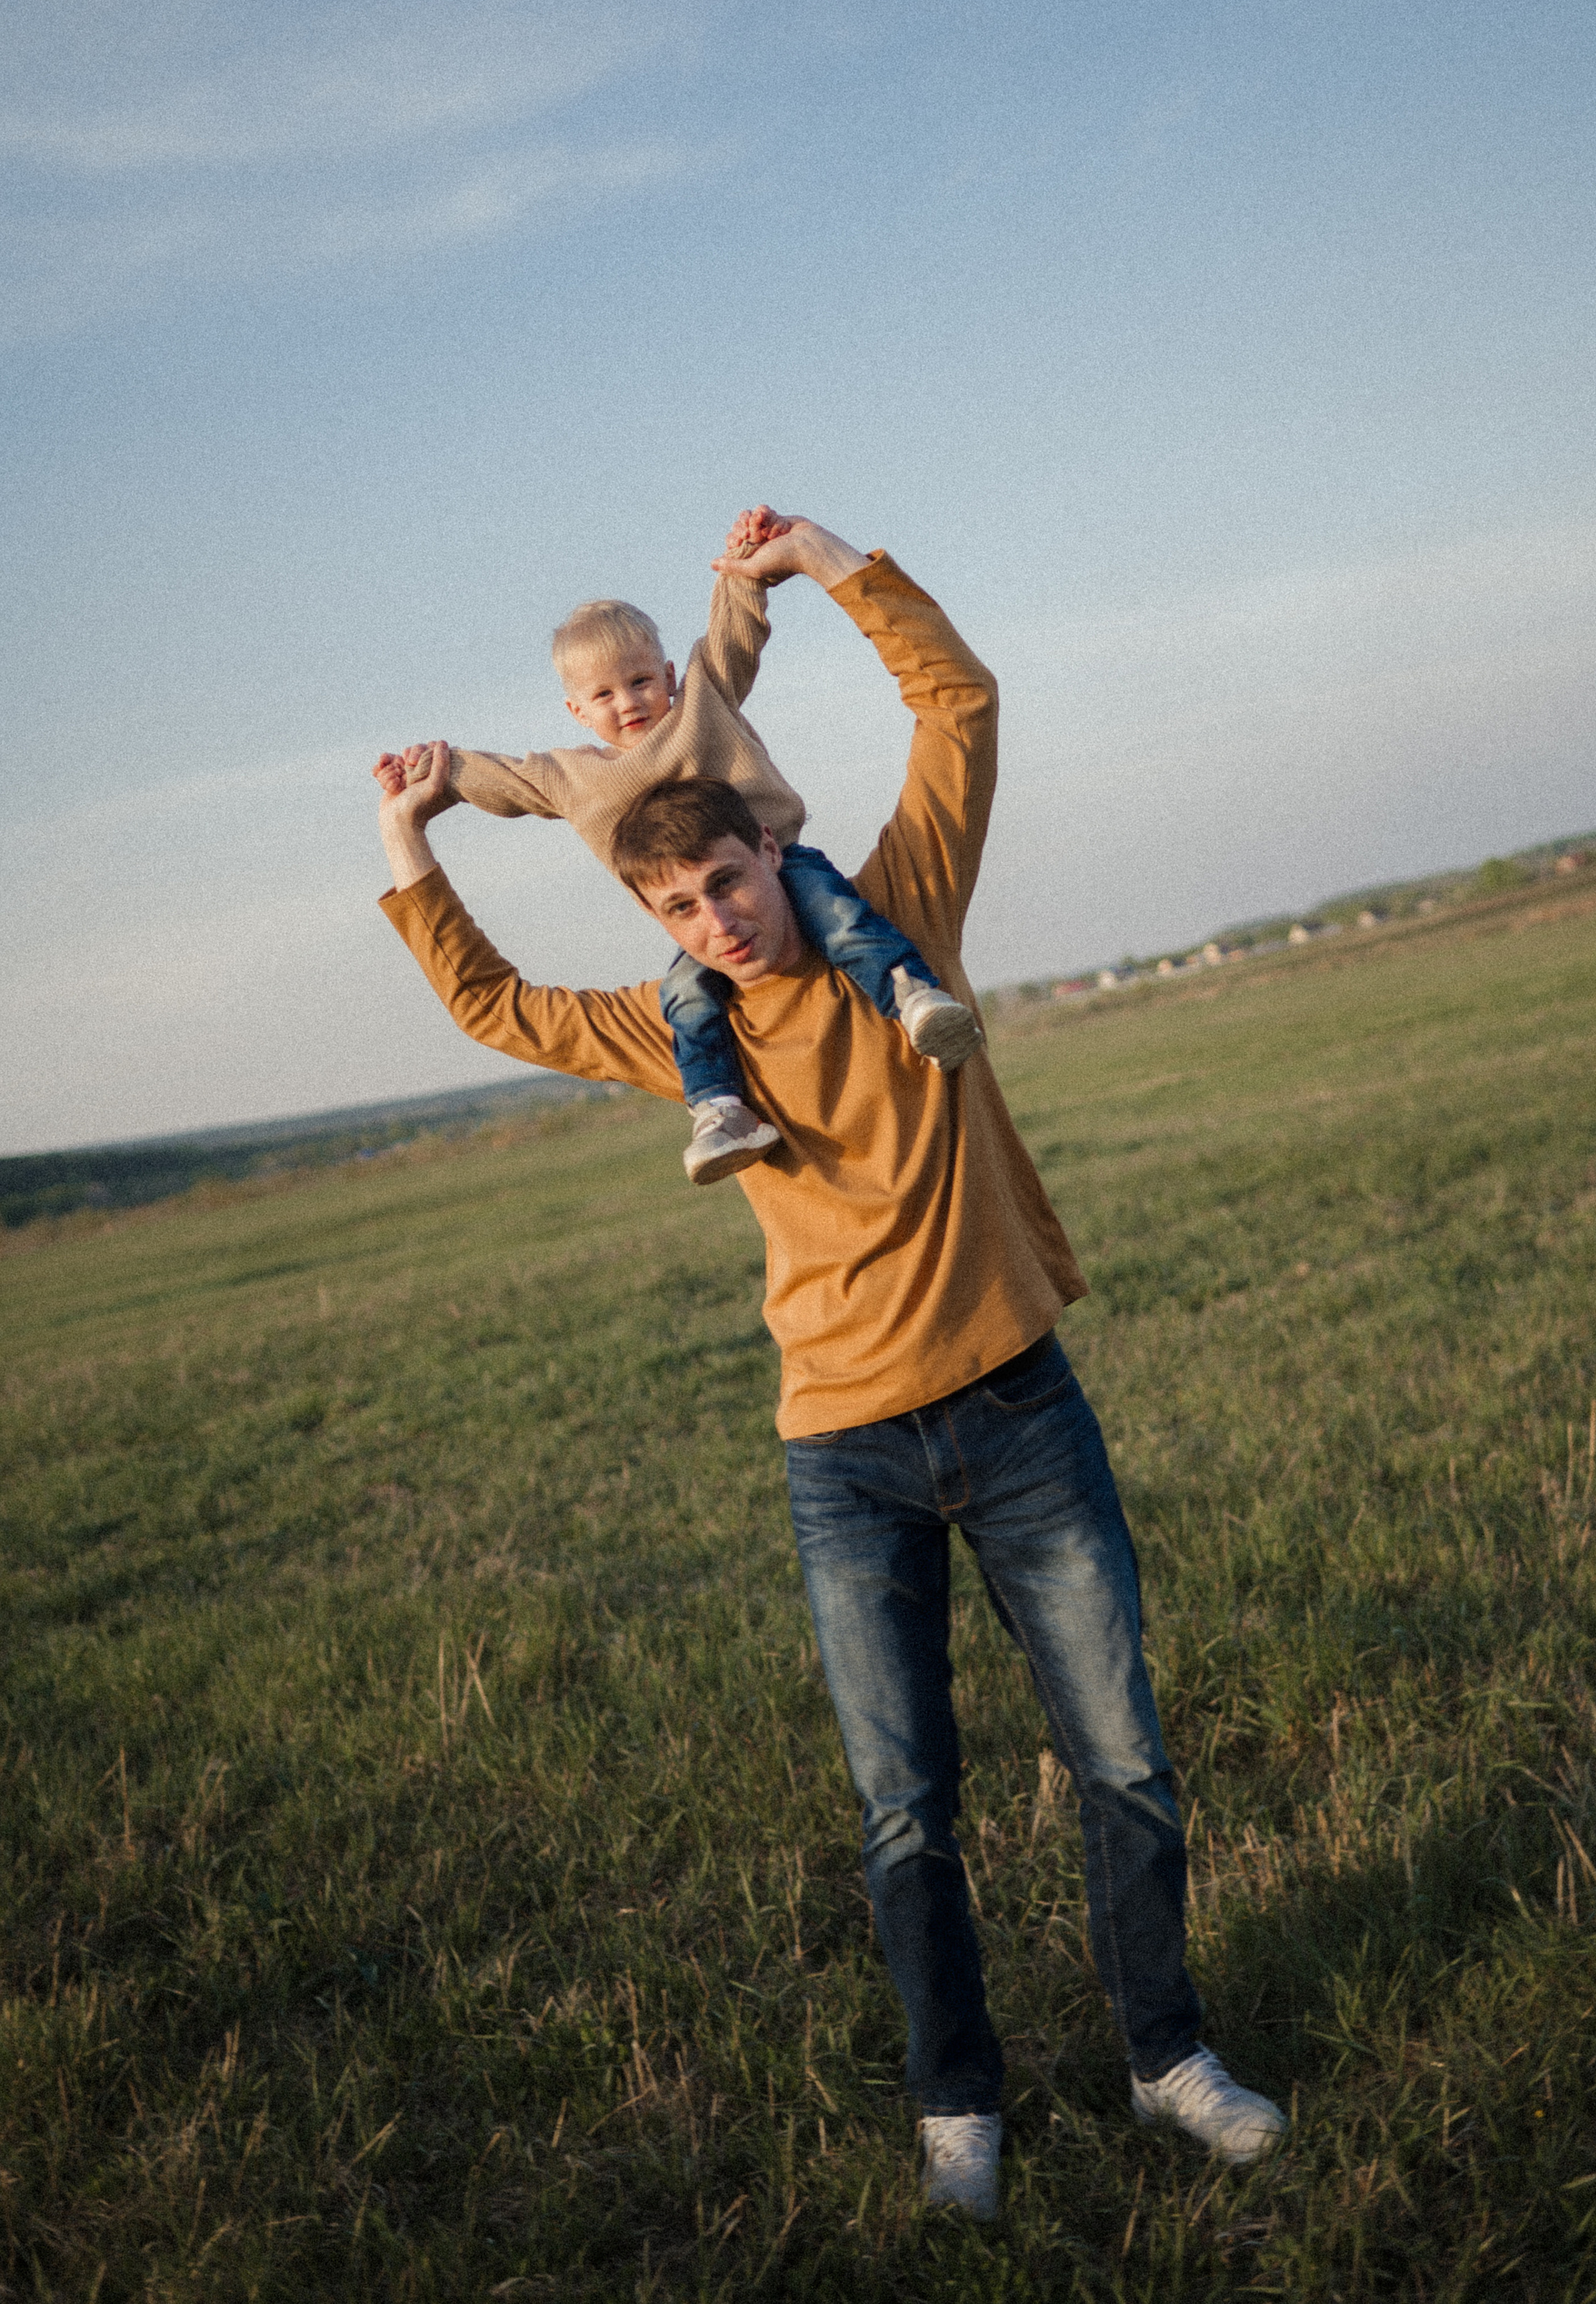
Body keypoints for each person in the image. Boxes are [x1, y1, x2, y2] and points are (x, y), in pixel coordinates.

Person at [373, 513, 1286, 2221]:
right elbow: (491, 1004)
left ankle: (1168, 2057)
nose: (713, 918)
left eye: (725, 880)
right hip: (841, 1456)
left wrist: (835, 563)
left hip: (1017, 1407)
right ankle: (959, 2103)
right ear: (650, 908)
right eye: (673, 902)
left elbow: (962, 708)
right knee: (902, 1813)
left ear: (767, 851)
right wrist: (406, 836)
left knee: (1124, 1763)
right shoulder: (674, 1025)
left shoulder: (902, 912)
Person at [371, 513, 980, 1184]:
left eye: (639, 682)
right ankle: (720, 1105)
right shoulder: (574, 776)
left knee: (841, 917)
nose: (628, 702)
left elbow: (737, 639)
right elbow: (501, 782)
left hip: (804, 872)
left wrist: (769, 564)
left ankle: (910, 992)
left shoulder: (705, 708)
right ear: (577, 711)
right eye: (603, 694)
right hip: (813, 1291)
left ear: (665, 674)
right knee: (686, 994)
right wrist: (427, 784)